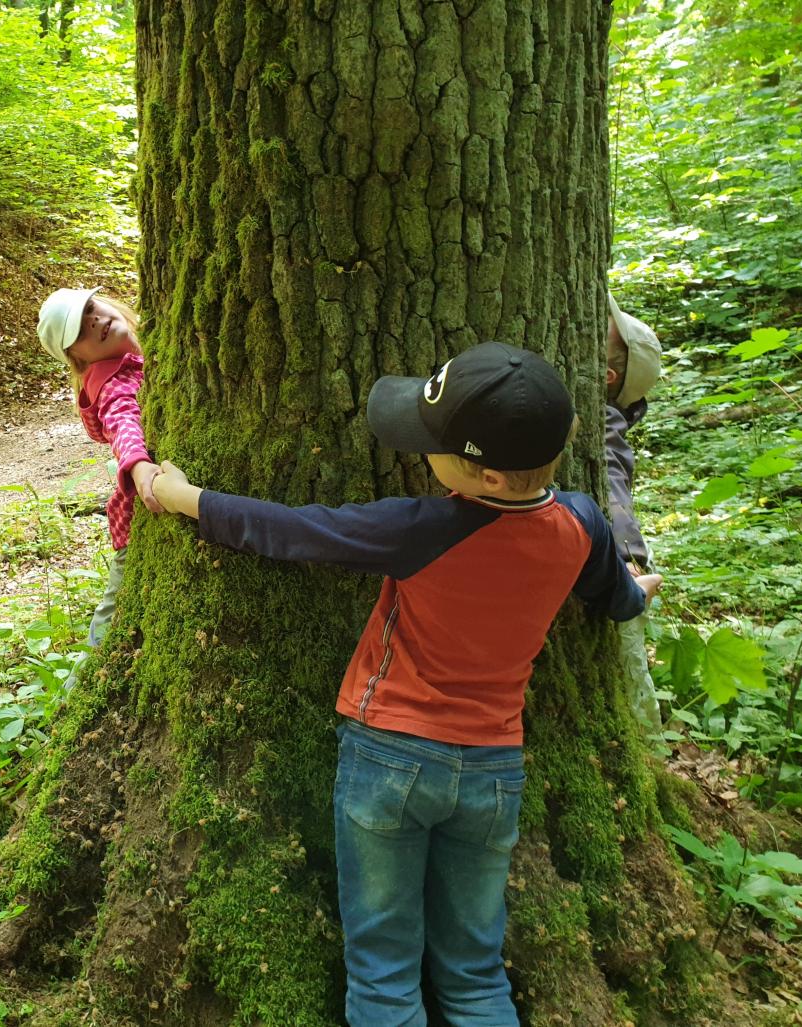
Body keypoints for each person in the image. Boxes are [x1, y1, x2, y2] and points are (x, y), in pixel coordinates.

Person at [152, 342, 661, 1027]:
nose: (421, 452)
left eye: (434, 445)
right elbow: (614, 594)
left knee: (385, 973)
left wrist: (182, 497)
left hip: (389, 759)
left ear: (483, 475)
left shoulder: (423, 529)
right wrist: (637, 593)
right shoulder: (581, 523)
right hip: (493, 771)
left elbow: (297, 530)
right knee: (476, 972)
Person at [37, 287, 162, 674]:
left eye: (91, 309)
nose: (94, 322)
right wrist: (139, 466)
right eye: (80, 330)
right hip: (139, 520)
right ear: (78, 359)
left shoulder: (150, 346)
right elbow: (122, 420)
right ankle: (81, 686)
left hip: (157, 510)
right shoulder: (112, 382)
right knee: (111, 613)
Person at [606, 292, 664, 733]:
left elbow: (611, 483)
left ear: (606, 376)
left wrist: (628, 557)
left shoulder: (605, 422)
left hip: (622, 565)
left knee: (628, 672)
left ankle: (647, 738)